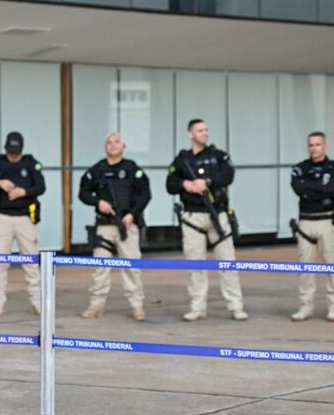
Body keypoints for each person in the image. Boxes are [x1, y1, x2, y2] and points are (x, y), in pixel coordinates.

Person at [166, 119, 247, 321]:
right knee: (195, 264)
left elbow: (228, 175)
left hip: (217, 214)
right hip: (193, 216)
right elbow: (170, 183)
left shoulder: (218, 156)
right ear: (190, 134)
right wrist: (187, 184)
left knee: (227, 262)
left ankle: (236, 306)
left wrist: (207, 182)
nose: (204, 133)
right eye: (200, 130)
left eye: (206, 130)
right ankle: (197, 307)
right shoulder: (182, 159)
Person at [79, 133, 151, 321]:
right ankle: (96, 305)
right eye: (109, 143)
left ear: (123, 146)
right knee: (100, 268)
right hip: (104, 226)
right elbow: (83, 193)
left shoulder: (132, 169)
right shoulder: (97, 170)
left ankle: (137, 306)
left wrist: (132, 214)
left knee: (131, 267)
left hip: (127, 225)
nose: (112, 145)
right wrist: (98, 202)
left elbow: (145, 194)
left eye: (116, 142)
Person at [0, 131, 45, 317]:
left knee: (31, 262)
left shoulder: (31, 163)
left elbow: (41, 187)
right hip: (3, 217)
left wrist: (23, 192)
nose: (14, 155)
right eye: (11, 151)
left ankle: (36, 301)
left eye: (16, 151)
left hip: (25, 218)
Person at [289, 132, 334, 322]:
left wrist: (310, 189)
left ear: (325, 146)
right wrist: (319, 188)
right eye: (311, 145)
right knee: (305, 267)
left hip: (327, 221)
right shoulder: (300, 168)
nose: (314, 148)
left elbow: (333, 189)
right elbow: (298, 188)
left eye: (318, 144)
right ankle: (306, 306)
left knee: (333, 265)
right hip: (306, 222)